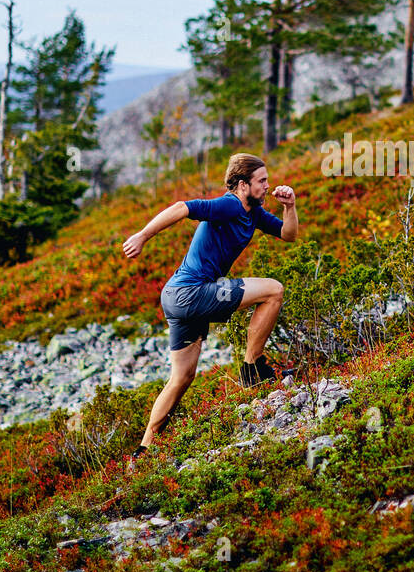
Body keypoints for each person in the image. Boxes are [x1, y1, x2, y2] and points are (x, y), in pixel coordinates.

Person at [120, 152, 297, 459]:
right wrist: (143, 235)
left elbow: (288, 234)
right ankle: (252, 369)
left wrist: (290, 206)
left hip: (176, 297)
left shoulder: (253, 212)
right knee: (273, 291)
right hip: (191, 292)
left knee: (182, 378)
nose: (268, 186)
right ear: (243, 185)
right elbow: (181, 208)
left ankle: (143, 451)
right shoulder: (230, 204)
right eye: (262, 181)